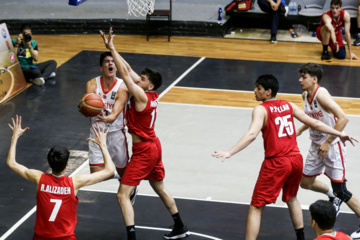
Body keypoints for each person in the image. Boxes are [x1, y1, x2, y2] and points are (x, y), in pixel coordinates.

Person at [212, 74, 357, 240]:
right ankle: (300, 237)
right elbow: (314, 123)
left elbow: (252, 134)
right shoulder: (287, 105)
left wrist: (230, 152)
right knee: (292, 198)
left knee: (256, 207)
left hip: (277, 162)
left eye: (258, 88)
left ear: (268, 92)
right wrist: (339, 133)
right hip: (295, 160)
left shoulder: (261, 109)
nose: (254, 91)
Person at [100, 27, 189, 240]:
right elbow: (128, 68)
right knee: (159, 187)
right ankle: (180, 226)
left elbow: (124, 75)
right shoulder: (149, 93)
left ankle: (132, 237)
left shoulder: (141, 96)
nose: (137, 79)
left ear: (149, 84)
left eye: (141, 78)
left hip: (144, 151)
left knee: (122, 195)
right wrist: (112, 48)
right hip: (154, 146)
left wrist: (112, 48)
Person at [6, 115, 115, 239]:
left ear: (49, 163)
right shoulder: (75, 182)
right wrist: (103, 145)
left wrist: (15, 136)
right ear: (67, 164)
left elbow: (11, 163)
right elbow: (110, 170)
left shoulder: (39, 178)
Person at [297, 63, 360, 239]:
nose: (300, 80)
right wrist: (300, 130)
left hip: (331, 147)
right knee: (306, 183)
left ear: (314, 79)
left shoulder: (321, 95)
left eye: (304, 76)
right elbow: (311, 117)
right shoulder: (305, 95)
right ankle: (332, 195)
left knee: (342, 190)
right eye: (301, 76)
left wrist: (328, 141)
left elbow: (343, 118)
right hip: (316, 145)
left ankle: (338, 196)